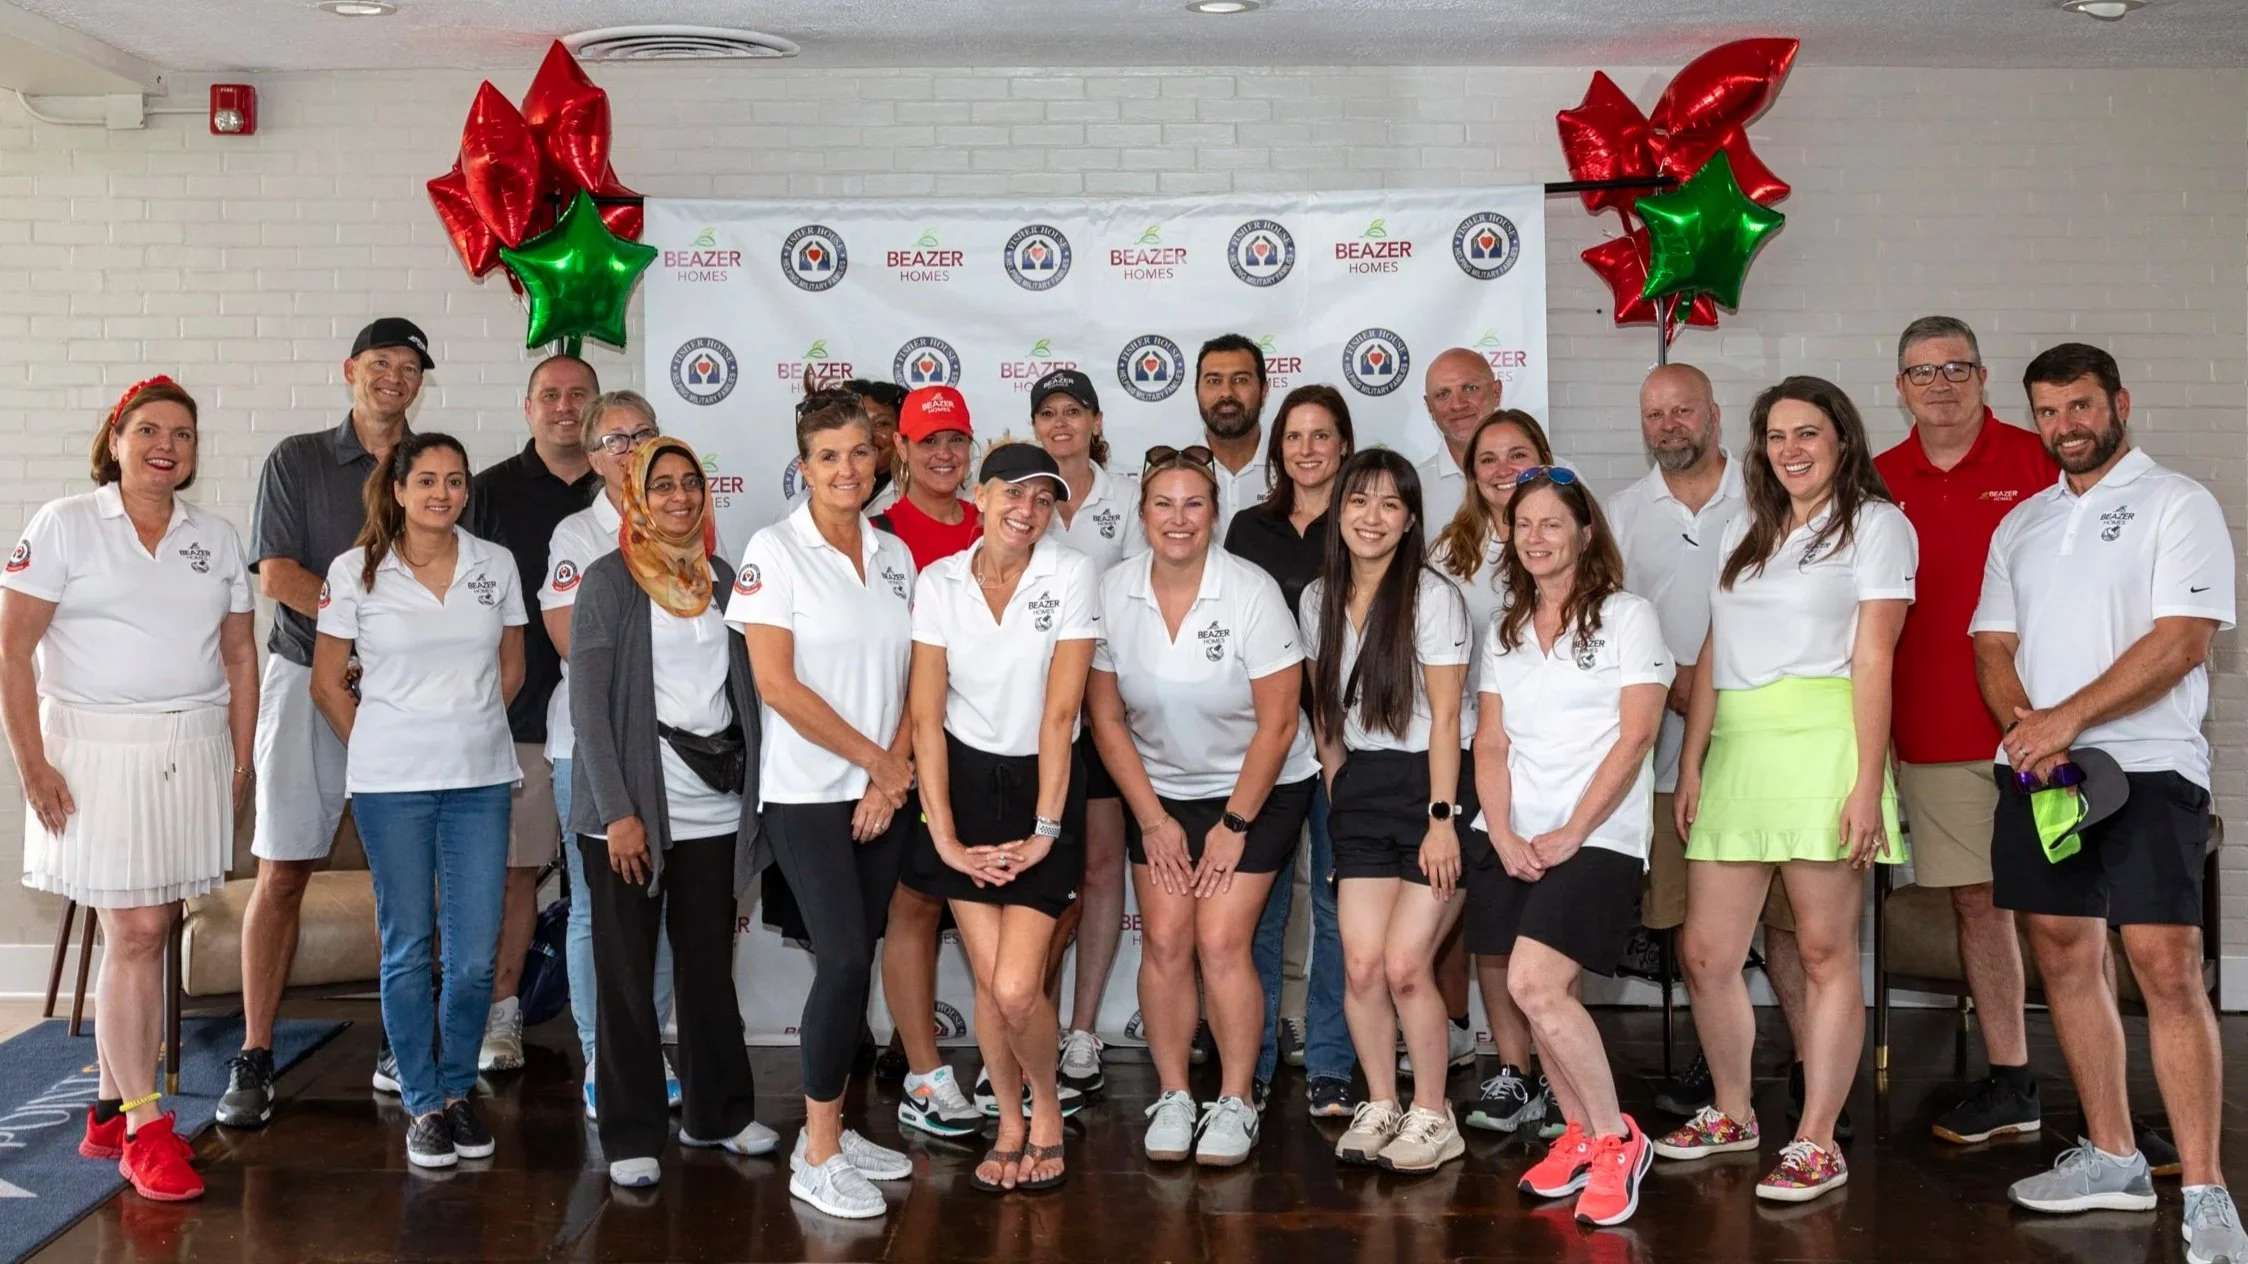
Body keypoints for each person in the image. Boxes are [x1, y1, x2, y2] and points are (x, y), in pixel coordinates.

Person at [1974, 344, 2242, 1260]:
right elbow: (1992, 645)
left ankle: (2205, 1191)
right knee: (2060, 952)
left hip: (2151, 768)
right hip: (2043, 772)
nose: (2066, 426)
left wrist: (2065, 720)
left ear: (2119, 403)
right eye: (2048, 412)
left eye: (2081, 406)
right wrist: (2031, 731)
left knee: (2167, 967)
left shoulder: (2178, 503)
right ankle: (2115, 1159)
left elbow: (2183, 641)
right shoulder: (2023, 523)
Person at [1658, 377, 1915, 1203]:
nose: (1791, 449)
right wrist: (1692, 761)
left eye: (1808, 433)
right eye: (1776, 436)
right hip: (1738, 747)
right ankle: (1733, 1113)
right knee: (1706, 952)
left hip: (1823, 742)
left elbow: (1875, 658)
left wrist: (1867, 782)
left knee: (1822, 951)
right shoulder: (1744, 526)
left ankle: (1816, 1141)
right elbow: (1714, 646)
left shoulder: (1878, 525)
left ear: (1842, 439)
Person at [1, 376, 255, 1201]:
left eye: (182, 433)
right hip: (91, 756)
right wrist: (32, 765)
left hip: (192, 749)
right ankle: (147, 1128)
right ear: (114, 441)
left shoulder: (215, 536)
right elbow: (12, 651)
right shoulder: (64, 524)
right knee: (140, 932)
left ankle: (110, 1110)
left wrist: (241, 758)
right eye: (149, 430)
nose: (166, 446)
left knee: (150, 929)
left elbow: (240, 654)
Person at [222, 317, 429, 1129]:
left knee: (404, 875)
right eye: (381, 362)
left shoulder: (431, 464)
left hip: (403, 693)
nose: (394, 377)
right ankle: (255, 1050)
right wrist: (366, 632)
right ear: (351, 370)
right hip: (306, 680)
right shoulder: (298, 459)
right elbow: (277, 574)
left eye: (409, 366)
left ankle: (401, 1044)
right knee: (282, 871)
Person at [727, 391, 921, 1220]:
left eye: (860, 452)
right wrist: (876, 762)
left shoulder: (895, 554)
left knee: (857, 962)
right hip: (807, 794)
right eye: (829, 456)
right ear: (804, 467)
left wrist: (890, 775)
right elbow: (776, 685)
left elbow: (919, 677)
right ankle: (815, 1153)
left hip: (883, 794)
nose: (848, 469)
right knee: (841, 959)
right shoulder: (773, 551)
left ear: (879, 459)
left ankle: (835, 1129)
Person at [1095, 445, 1318, 1165]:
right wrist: (1153, 820)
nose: (1179, 518)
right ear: (1143, 514)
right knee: (1165, 940)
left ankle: (1235, 1099)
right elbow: (1106, 719)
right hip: (1161, 788)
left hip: (1261, 785)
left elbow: (1279, 725)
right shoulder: (1113, 591)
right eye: (1164, 504)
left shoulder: (1250, 590)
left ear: (1215, 514)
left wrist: (1233, 826)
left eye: (1194, 504)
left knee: (1221, 941)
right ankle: (1173, 1094)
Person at [310, 432, 526, 1169]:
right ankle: (424, 1104)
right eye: (427, 479)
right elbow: (327, 683)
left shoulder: (495, 565)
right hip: (390, 787)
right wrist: (379, 740)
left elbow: (511, 669)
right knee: (408, 947)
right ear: (398, 490)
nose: (443, 492)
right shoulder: (354, 571)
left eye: (455, 480)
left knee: (472, 958)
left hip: (480, 781)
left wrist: (463, 727)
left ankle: (459, 1091)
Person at [565, 436, 777, 1188]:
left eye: (690, 483)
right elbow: (589, 708)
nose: (679, 496)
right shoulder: (609, 579)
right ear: (637, 496)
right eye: (662, 485)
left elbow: (744, 691)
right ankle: (630, 1130)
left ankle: (717, 1114)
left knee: (708, 969)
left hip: (713, 811)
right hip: (629, 814)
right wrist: (618, 813)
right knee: (626, 975)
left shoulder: (721, 578)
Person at [1607, 364, 1812, 1130]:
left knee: (1789, 927)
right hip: (1670, 757)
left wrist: (1720, 682)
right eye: (1654, 414)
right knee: (1699, 933)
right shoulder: (1621, 515)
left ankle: (1810, 1068)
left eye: (1683, 410)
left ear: (1715, 414)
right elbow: (1609, 621)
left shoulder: (1768, 500)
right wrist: (1674, 682)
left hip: (1770, 748)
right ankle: (1721, 1069)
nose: (1669, 425)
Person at [1870, 317, 2058, 1146]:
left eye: (1956, 368)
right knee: (1978, 905)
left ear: (1984, 376)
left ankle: (2109, 1096)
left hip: (2046, 725)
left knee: (2067, 912)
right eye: (1922, 371)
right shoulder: (1876, 480)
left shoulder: (2039, 459)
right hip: (1935, 731)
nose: (1940, 384)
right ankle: (2014, 1081)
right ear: (1900, 387)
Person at [1473, 468, 1670, 1226]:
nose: (1536, 537)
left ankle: (1618, 1138)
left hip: (1599, 836)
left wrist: (1574, 831)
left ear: (1585, 533)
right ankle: (1583, 1135)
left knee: (1535, 985)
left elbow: (1637, 735)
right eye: (1523, 523)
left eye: (1552, 522)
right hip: (1516, 837)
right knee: (1535, 995)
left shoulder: (1627, 617)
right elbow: (1491, 743)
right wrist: (1501, 830)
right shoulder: (1505, 629)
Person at [906, 443, 1099, 1193]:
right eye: (1013, 493)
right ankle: (1010, 1122)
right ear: (980, 496)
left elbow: (1061, 712)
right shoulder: (938, 581)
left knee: (1018, 988)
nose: (1027, 510)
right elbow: (926, 719)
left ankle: (1044, 1104)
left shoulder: (1071, 573)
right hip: (960, 791)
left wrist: (1046, 830)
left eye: (1043, 500)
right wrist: (945, 837)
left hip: (1044, 788)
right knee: (991, 986)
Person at [1307, 450, 1475, 1176]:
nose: (1371, 518)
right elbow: (1325, 709)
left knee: (1408, 966)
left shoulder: (1433, 598)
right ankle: (1381, 1102)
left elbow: (1446, 719)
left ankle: (1434, 1113)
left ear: (1409, 520)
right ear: (1338, 511)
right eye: (1358, 501)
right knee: (1362, 965)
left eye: (1389, 505)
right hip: (1364, 787)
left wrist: (1442, 818)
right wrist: (1339, 782)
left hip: (1434, 783)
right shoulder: (1318, 598)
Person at [540, 391, 681, 1118]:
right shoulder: (577, 535)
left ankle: (647, 1046)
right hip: (590, 748)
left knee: (656, 906)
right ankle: (602, 1052)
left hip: (673, 750)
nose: (630, 449)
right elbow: (574, 646)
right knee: (596, 910)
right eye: (615, 439)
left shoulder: (686, 524)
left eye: (643, 434)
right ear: (592, 457)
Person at [464, 353, 600, 1075]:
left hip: (604, 724)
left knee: (605, 887)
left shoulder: (627, 489)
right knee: (517, 874)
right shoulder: (486, 492)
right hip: (516, 716)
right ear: (528, 408)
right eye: (550, 394)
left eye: (579, 394)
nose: (564, 406)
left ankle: (612, 1033)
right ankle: (502, 1014)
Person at [1224, 385, 1355, 1117]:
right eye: (1294, 437)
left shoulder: (1365, 518)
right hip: (1266, 748)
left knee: (1336, 912)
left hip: (1346, 744)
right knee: (1260, 915)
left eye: (1321, 435)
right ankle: (1254, 1062)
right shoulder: (1249, 528)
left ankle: (1331, 1063)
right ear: (1278, 449)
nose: (1307, 450)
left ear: (1343, 444)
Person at [1430, 409, 1559, 1133]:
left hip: (1558, 756)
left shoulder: (1577, 536)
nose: (1503, 469)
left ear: (1544, 457)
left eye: (1519, 454)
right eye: (1488, 459)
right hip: (1481, 756)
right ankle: (1514, 1072)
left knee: (1552, 924)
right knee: (1492, 924)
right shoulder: (1448, 552)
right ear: (1470, 471)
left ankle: (1559, 1071)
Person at [1030, 368, 1137, 1096]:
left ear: (1096, 422)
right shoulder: (1021, 494)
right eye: (1048, 412)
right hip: (1026, 717)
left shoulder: (1128, 497)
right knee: (1039, 874)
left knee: (1100, 870)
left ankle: (1083, 1030)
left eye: (1074, 410)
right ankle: (1027, 1022)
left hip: (1103, 711)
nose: (1061, 423)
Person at [872, 384, 979, 567]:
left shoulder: (992, 526)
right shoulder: (876, 536)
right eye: (929, 441)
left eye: (956, 439)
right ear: (901, 447)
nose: (944, 453)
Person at [788, 375, 908, 516]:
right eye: (829, 457)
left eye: (881, 424)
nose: (869, 433)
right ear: (805, 470)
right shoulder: (796, 507)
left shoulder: (915, 500)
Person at [1193, 334, 1271, 539]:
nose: (1226, 393)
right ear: (1196, 391)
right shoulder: (1175, 473)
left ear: (1264, 391)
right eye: (1214, 381)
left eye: (1240, 380)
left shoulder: (1294, 469)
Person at [1413, 348, 1501, 528]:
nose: (1458, 405)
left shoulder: (1552, 477)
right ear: (1429, 407)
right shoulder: (1414, 489)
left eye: (1470, 389)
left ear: (1496, 392)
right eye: (1443, 395)